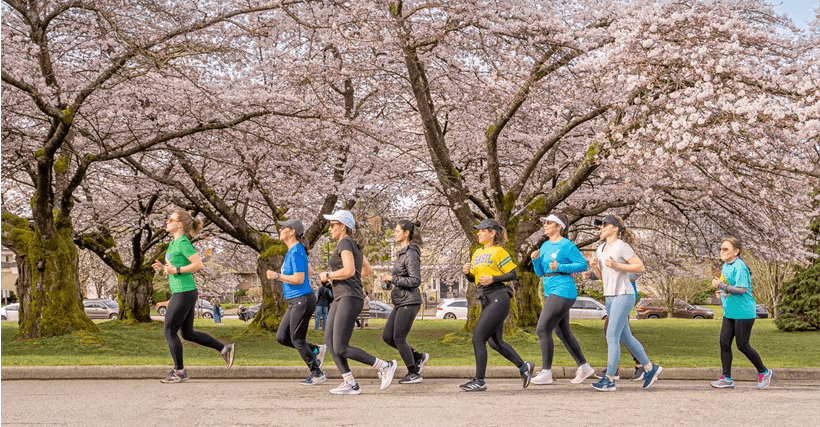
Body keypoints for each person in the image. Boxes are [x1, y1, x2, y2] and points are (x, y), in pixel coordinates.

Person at [151, 209, 236, 383]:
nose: (167, 222)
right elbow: (174, 266)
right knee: (188, 333)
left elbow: (198, 265)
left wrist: (177, 270)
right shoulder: (173, 244)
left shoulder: (183, 242)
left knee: (169, 330)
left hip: (184, 291)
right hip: (183, 291)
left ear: (179, 224)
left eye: (170, 219)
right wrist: (164, 269)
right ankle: (224, 349)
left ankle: (180, 372)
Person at [318, 210, 397, 395]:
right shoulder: (353, 245)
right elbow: (366, 270)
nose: (329, 229)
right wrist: (343, 279)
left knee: (340, 346)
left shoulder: (345, 242)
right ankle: (350, 383)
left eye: (332, 225)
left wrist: (329, 275)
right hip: (342, 295)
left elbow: (349, 269)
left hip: (349, 297)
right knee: (329, 341)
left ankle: (384, 366)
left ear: (342, 226)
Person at [460, 219, 534, 392]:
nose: (478, 233)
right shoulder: (477, 252)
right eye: (478, 231)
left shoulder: (499, 252)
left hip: (499, 296)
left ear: (492, 233)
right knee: (495, 342)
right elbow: (475, 280)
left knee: (478, 337)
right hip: (486, 297)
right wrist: (467, 274)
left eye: (482, 231)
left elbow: (513, 274)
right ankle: (524, 368)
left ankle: (480, 381)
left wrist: (493, 279)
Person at [589, 215, 660, 391]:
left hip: (624, 294)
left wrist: (618, 266)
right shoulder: (600, 249)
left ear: (615, 228)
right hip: (610, 296)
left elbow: (640, 267)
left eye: (604, 225)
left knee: (611, 336)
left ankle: (610, 379)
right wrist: (595, 268)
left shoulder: (622, 246)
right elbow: (602, 276)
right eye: (600, 226)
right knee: (624, 337)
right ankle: (650, 368)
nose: (601, 229)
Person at [529, 214, 594, 385]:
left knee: (542, 328)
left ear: (559, 226)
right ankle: (584, 366)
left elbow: (582, 265)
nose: (545, 225)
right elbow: (541, 273)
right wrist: (535, 261)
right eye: (544, 222)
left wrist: (561, 267)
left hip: (564, 289)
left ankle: (546, 372)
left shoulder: (567, 245)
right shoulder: (544, 246)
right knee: (561, 331)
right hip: (550, 289)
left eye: (549, 222)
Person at [266, 219, 328, 386]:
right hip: (295, 301)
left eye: (283, 227)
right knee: (282, 337)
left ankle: (317, 373)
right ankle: (316, 349)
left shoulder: (296, 251)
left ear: (292, 231)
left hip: (302, 300)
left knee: (297, 339)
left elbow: (299, 279)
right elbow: (309, 270)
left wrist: (276, 276)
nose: (280, 229)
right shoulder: (294, 251)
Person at [710, 237, 772, 389]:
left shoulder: (740, 266)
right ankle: (726, 378)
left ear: (736, 251)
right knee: (724, 343)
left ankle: (764, 372)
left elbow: (742, 289)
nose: (722, 252)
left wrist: (721, 285)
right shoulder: (726, 266)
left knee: (742, 345)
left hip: (744, 312)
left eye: (726, 249)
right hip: (730, 311)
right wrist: (721, 291)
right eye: (721, 249)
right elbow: (729, 287)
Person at [381, 219, 430, 384]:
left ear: (406, 233)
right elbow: (401, 277)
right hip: (401, 301)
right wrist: (388, 282)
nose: (394, 233)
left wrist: (393, 278)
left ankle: (413, 372)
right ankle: (418, 356)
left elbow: (415, 280)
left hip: (410, 301)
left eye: (397, 231)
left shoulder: (411, 252)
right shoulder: (401, 252)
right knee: (388, 336)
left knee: (399, 337)